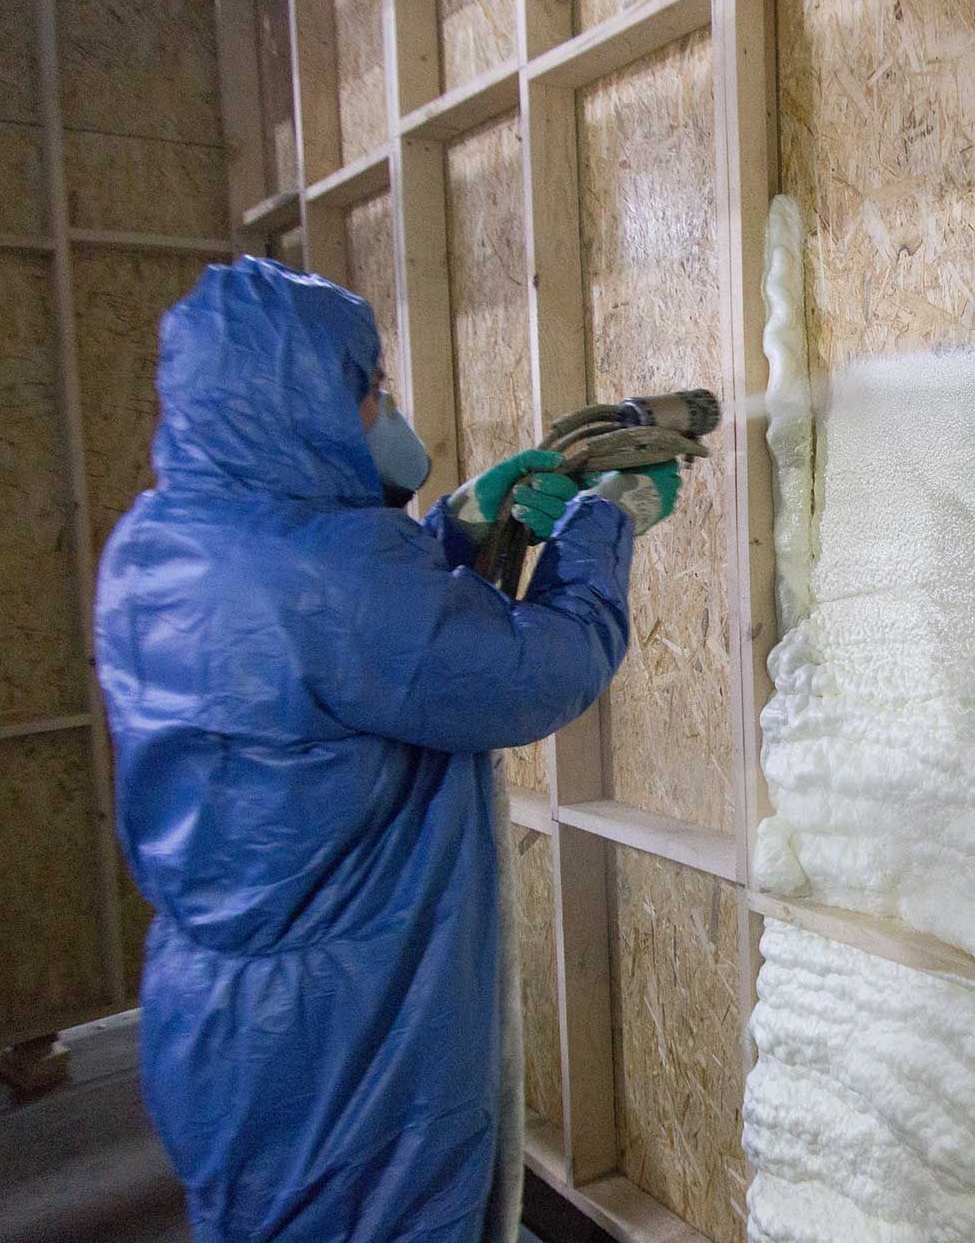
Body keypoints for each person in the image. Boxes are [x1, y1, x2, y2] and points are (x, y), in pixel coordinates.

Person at [93, 257, 679, 1243]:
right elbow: (536, 670)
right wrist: (606, 524)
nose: (385, 405)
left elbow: (335, 664)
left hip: (211, 1008)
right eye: (370, 388)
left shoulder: (156, 542)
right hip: (343, 1033)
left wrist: (453, 535)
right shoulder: (330, 579)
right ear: (300, 407)